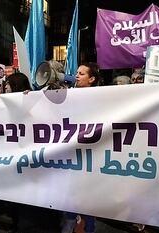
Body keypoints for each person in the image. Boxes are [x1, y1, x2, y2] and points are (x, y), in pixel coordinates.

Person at [62, 63, 100, 233]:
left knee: (87, 194)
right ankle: (70, 221)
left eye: (82, 74)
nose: (76, 76)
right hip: (71, 151)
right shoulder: (68, 95)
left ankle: (88, 227)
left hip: (91, 152)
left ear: (92, 79)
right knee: (70, 190)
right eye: (76, 73)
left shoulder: (102, 96)